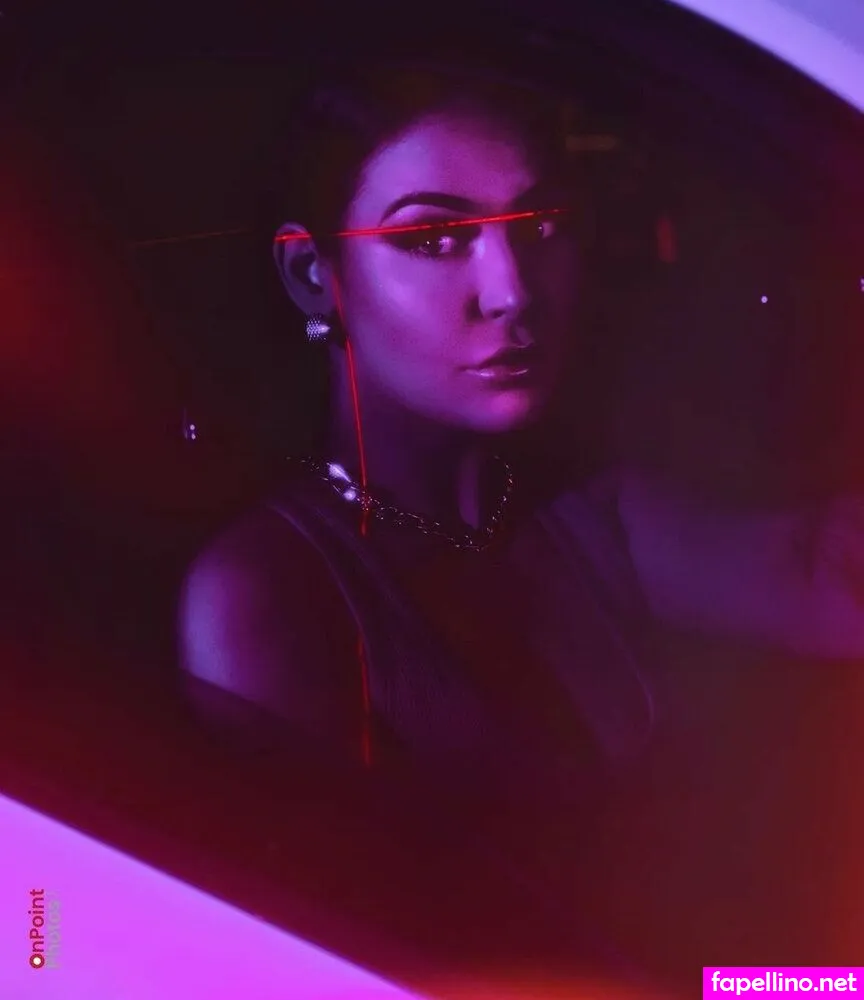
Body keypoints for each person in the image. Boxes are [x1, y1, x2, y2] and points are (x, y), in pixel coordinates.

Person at [177, 50, 864, 986]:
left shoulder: (585, 517)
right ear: (312, 275)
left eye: (539, 226)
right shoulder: (268, 591)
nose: (514, 291)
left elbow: (824, 569)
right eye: (434, 239)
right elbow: (317, 953)